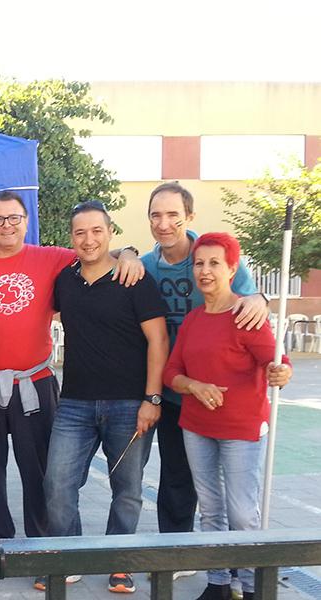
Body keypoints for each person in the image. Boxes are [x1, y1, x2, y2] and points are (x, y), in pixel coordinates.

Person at [0, 190, 143, 564]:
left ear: (26, 222)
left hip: (35, 382)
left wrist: (130, 253)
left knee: (39, 471)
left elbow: (98, 253)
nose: (6, 225)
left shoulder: (51, 259)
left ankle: (41, 545)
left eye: (14, 218)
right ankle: (0, 544)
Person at [141, 183, 290, 578]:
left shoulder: (215, 255)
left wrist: (260, 299)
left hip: (235, 411)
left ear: (189, 217)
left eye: (173, 215)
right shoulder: (147, 266)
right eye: (156, 215)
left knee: (237, 503)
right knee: (179, 482)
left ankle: (247, 575)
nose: (164, 223)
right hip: (178, 393)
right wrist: (123, 255)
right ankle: (190, 561)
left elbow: (255, 313)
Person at [44, 201, 169, 594]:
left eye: (96, 230)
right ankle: (69, 558)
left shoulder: (135, 279)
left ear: (110, 232)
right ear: (71, 237)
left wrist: (152, 398)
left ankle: (119, 561)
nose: (89, 239)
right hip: (74, 403)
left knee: (127, 490)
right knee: (57, 484)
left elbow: (158, 340)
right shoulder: (64, 281)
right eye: (80, 232)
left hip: (129, 403)